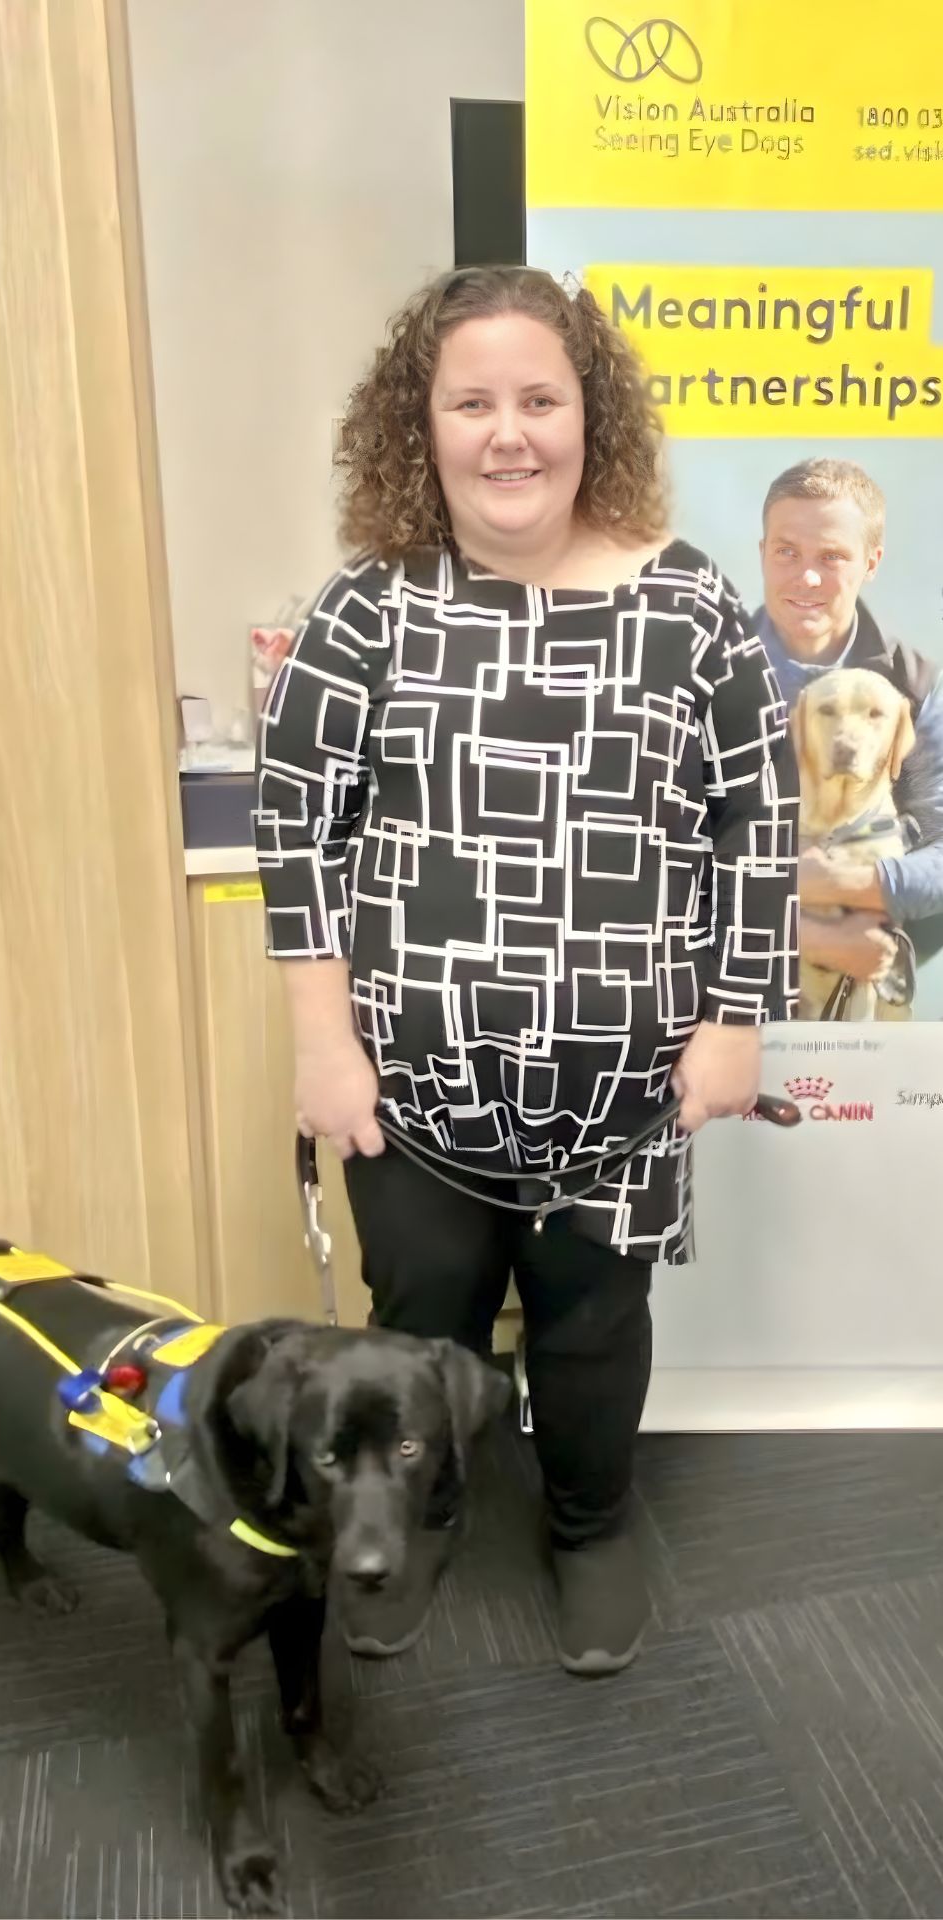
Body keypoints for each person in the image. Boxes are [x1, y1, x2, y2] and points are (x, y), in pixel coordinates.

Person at [254, 266, 798, 1677]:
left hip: (625, 1093)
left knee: (592, 1322)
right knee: (420, 1322)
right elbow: (295, 825)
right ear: (418, 424)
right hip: (411, 1086)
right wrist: (323, 1042)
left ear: (589, 414)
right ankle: (409, 1527)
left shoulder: (690, 606)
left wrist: (735, 1022)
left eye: (540, 399)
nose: (511, 433)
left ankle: (591, 1526)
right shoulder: (367, 609)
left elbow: (759, 822)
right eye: (473, 401)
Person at [755, 458, 943, 1003]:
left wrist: (854, 886)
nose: (806, 577)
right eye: (786, 551)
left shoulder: (915, 684)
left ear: (871, 562)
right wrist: (807, 931)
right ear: (761, 552)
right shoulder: (702, 673)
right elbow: (645, 860)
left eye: (832, 556)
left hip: (869, 997)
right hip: (720, 997)